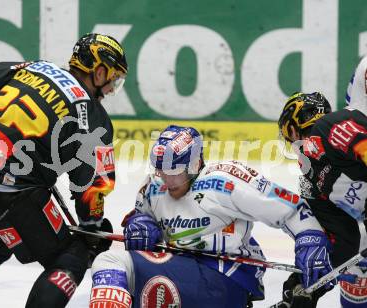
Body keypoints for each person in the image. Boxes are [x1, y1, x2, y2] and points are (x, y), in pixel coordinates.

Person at [0, 33, 128, 308]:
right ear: (100, 69)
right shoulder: (92, 114)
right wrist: (92, 230)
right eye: (113, 79)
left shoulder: (35, 67)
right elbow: (91, 186)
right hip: (3, 183)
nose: (110, 89)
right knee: (72, 253)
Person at [88, 125, 333, 308]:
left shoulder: (224, 181)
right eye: (161, 171)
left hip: (223, 279)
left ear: (194, 164)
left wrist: (310, 238)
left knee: (111, 262)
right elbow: (139, 217)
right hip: (187, 275)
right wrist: (141, 224)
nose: (167, 179)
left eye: (175, 172)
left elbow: (290, 208)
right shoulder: (154, 186)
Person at [277, 90, 367, 307]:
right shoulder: (311, 174)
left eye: (288, 133)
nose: (290, 142)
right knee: (356, 287)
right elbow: (342, 240)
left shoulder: (329, 127)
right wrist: (306, 286)